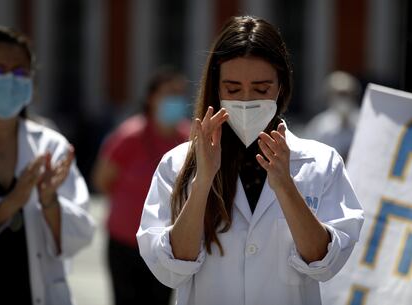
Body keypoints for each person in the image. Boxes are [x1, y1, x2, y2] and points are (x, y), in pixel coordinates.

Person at [137, 16, 364, 305]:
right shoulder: (178, 163)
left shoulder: (320, 162)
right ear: (216, 89)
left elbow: (326, 263)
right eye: (232, 90)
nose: (246, 101)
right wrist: (203, 181)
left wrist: (285, 186)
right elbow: (170, 270)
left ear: (281, 86)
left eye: (260, 89)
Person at [0, 26, 95, 305]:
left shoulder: (51, 147)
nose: (9, 80)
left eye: (19, 72)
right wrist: (11, 203)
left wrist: (50, 201)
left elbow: (80, 235)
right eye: (0, 69)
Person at [92, 67, 190, 305]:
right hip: (124, 241)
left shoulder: (187, 137)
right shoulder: (129, 135)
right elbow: (102, 180)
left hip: (165, 242)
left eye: (179, 95)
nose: (174, 101)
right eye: (168, 94)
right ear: (151, 98)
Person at [304, 71, 362, 160]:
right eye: (340, 94)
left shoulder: (363, 122)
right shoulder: (320, 125)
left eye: (346, 94)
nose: (343, 99)